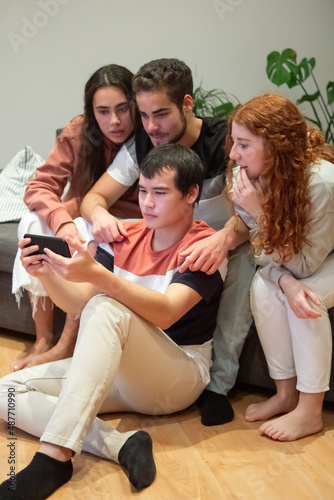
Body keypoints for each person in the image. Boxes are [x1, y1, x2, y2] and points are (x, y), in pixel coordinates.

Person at [0, 144, 226, 499]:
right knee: (7, 393)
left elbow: (167, 312)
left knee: (107, 306)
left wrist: (102, 280)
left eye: (160, 193)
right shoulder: (124, 234)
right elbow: (77, 303)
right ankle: (120, 444)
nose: (147, 202)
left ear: (191, 193)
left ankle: (54, 458)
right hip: (116, 368)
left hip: (176, 376)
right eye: (143, 191)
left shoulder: (204, 247)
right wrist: (45, 275)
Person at [80, 58, 255, 426]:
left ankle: (218, 387)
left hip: (226, 240)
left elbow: (257, 210)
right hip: (172, 241)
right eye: (143, 115)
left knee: (242, 265)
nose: (150, 126)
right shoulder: (143, 142)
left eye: (160, 114)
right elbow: (93, 200)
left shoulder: (224, 143)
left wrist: (223, 239)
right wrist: (102, 217)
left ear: (187, 104)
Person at [11, 64, 141, 372]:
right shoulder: (78, 133)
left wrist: (82, 210)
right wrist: (64, 219)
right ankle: (43, 338)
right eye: (103, 111)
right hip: (82, 219)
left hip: (124, 225)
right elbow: (40, 187)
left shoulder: (147, 138)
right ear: (90, 111)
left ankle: (66, 343)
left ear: (136, 105)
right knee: (30, 223)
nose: (115, 121)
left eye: (123, 109)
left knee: (91, 240)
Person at [225, 93, 334, 441]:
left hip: (322, 258)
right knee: (263, 288)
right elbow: (261, 254)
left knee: (307, 299)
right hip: (301, 261)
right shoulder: (250, 179)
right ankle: (285, 394)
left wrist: (260, 212)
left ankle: (310, 411)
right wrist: (282, 280)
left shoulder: (322, 183)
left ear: (274, 146)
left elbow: (304, 265)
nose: (232, 154)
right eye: (233, 142)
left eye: (243, 144)